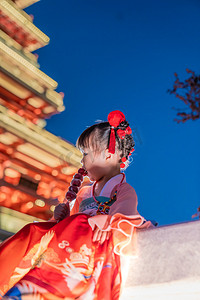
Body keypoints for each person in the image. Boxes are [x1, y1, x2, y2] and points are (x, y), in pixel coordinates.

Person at [0, 110, 152, 300]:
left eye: (86, 154)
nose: (82, 161)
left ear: (108, 154)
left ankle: (40, 286)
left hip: (95, 243)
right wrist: (61, 217)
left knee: (79, 221)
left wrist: (107, 221)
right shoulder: (84, 192)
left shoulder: (123, 190)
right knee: (33, 230)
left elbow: (125, 212)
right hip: (75, 238)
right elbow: (71, 222)